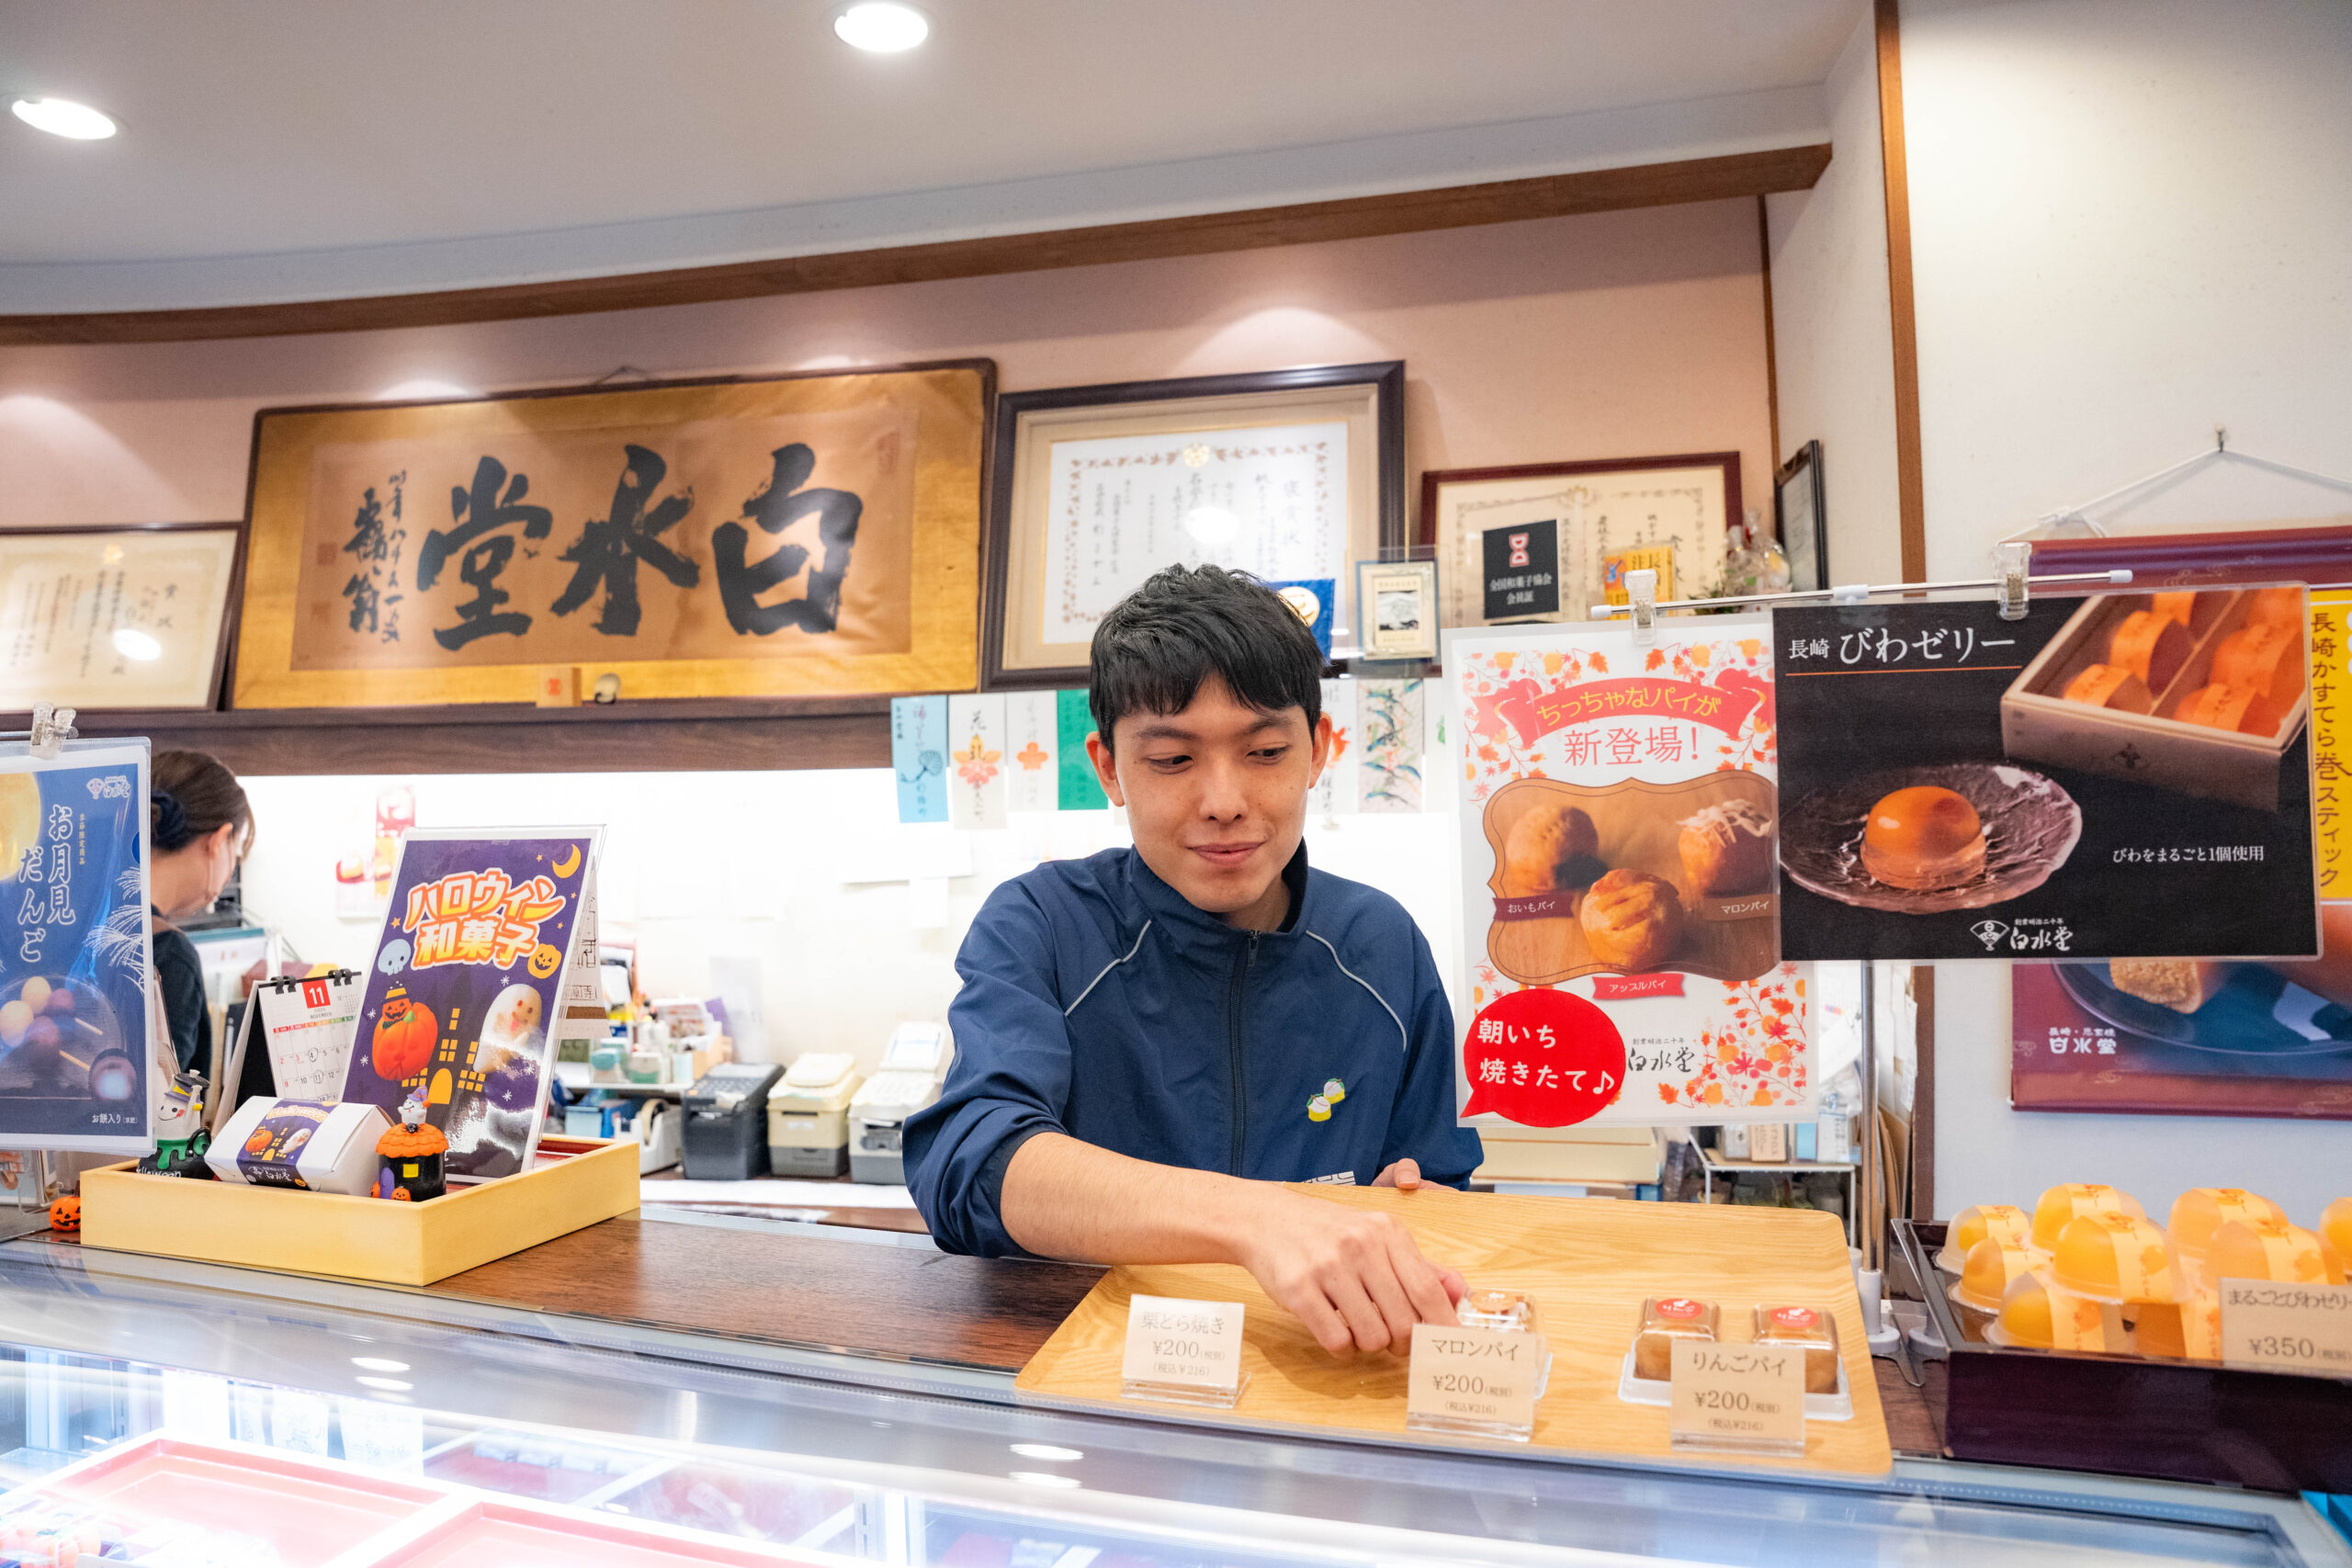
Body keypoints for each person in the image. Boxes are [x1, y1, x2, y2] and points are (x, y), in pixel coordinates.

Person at [908, 566, 1482, 1359]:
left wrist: (1415, 1216)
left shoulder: (1381, 943)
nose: (1223, 799)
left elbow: (1440, 1181)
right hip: (1092, 1397)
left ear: (1318, 750)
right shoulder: (1042, 922)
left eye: (1265, 750)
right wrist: (1259, 1219)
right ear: (1108, 766)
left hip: (1319, 1386)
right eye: (1172, 760)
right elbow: (973, 1164)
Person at [148, 750, 254, 1077]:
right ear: (219, 842)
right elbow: (163, 1109)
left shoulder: (85, 918)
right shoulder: (169, 955)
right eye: (235, 856)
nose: (227, 879)